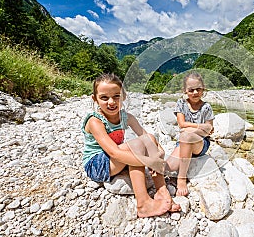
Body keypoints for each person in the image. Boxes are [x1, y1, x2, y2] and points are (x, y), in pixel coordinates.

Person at [81, 73, 180, 217]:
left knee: (149, 139)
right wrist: (148, 160)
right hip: (97, 164)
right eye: (104, 97)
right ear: (95, 99)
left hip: (113, 159)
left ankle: (161, 190)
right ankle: (143, 204)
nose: (111, 102)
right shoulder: (95, 121)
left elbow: (149, 139)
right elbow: (114, 152)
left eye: (116, 96)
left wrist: (158, 155)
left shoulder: (127, 117)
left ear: (124, 96)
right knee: (137, 146)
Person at [166, 71, 214, 196]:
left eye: (198, 89)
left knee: (186, 135)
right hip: (183, 142)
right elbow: (181, 124)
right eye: (191, 90)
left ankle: (181, 178)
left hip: (200, 144)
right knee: (168, 168)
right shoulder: (181, 104)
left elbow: (209, 129)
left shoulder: (206, 107)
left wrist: (190, 129)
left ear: (203, 89)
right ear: (185, 90)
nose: (195, 93)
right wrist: (200, 127)